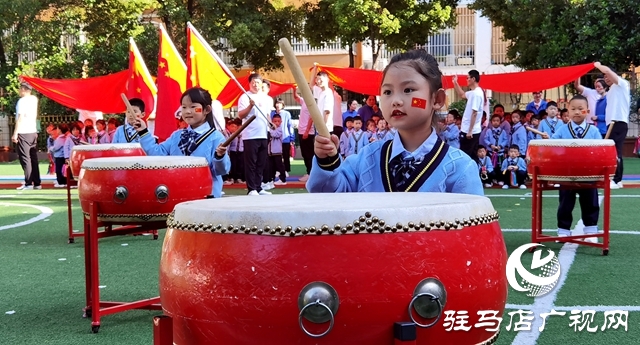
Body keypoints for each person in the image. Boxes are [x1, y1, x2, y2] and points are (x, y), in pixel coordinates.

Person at [307, 49, 482, 195]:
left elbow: (473, 233)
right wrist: (326, 162)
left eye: (408, 90)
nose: (395, 100)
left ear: (437, 99)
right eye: (388, 92)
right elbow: (331, 199)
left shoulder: (461, 168)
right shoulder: (365, 158)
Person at [134, 87, 230, 199]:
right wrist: (143, 132)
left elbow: (221, 170)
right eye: (184, 107)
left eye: (194, 107)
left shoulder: (216, 138)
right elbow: (157, 154)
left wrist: (220, 156)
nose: (187, 111)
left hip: (206, 196)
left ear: (206, 110)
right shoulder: (177, 136)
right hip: (178, 194)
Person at [551, 94, 601, 242]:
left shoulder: (593, 131)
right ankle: (564, 230)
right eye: (573, 109)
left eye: (581, 109)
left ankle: (591, 231)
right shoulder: (561, 130)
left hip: (588, 174)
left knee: (590, 201)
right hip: (567, 174)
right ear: (568, 111)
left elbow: (600, 149)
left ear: (587, 110)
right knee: (565, 203)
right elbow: (553, 146)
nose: (577, 112)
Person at [594, 62, 630, 189]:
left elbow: (609, 72)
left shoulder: (622, 84)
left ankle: (615, 179)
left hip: (618, 122)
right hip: (612, 124)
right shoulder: (610, 91)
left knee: (616, 151)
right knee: (613, 151)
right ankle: (616, 179)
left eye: (607, 76)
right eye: (604, 77)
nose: (606, 78)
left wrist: (597, 65)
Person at [237, 74, 272, 195]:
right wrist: (250, 105)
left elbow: (267, 115)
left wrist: (271, 123)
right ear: (249, 83)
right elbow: (240, 115)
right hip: (250, 135)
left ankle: (258, 186)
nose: (255, 84)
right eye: (253, 82)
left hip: (263, 134)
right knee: (251, 163)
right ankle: (251, 188)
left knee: (261, 163)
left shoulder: (266, 98)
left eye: (258, 82)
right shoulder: (245, 97)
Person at [12, 82, 41, 190]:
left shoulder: (22, 101)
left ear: (24, 89)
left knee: (25, 158)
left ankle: (28, 182)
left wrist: (15, 133)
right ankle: (37, 183)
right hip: (32, 131)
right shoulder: (34, 99)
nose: (19, 91)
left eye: (20, 89)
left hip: (23, 131)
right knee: (33, 158)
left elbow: (20, 118)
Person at [452, 70, 483, 160]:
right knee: (472, 155)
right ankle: (475, 173)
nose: (466, 80)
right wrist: (455, 83)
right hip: (469, 129)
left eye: (467, 78)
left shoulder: (476, 94)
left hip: (470, 131)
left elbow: (474, 113)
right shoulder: (474, 92)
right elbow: (462, 95)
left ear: (473, 79)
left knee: (465, 156)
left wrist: (470, 130)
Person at [293, 87, 315, 182]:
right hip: (301, 131)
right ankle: (309, 172)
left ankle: (311, 173)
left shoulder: (311, 103)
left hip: (308, 133)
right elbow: (296, 97)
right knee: (305, 154)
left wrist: (306, 131)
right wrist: (294, 89)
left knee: (309, 154)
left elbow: (312, 118)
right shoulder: (304, 101)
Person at [271, 98, 295, 176]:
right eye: (277, 103)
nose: (278, 105)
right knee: (275, 155)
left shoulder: (286, 114)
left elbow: (290, 125)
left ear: (283, 105)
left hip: (285, 138)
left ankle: (286, 170)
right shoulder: (272, 113)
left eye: (280, 103)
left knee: (285, 155)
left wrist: (292, 137)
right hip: (275, 138)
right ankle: (276, 170)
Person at [268, 114, 287, 186]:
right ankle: (271, 179)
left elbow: (275, 134)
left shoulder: (279, 129)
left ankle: (283, 179)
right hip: (271, 151)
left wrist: (270, 129)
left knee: (279, 165)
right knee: (271, 166)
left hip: (277, 151)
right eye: (275, 121)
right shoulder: (272, 128)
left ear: (281, 122)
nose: (276, 123)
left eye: (278, 121)